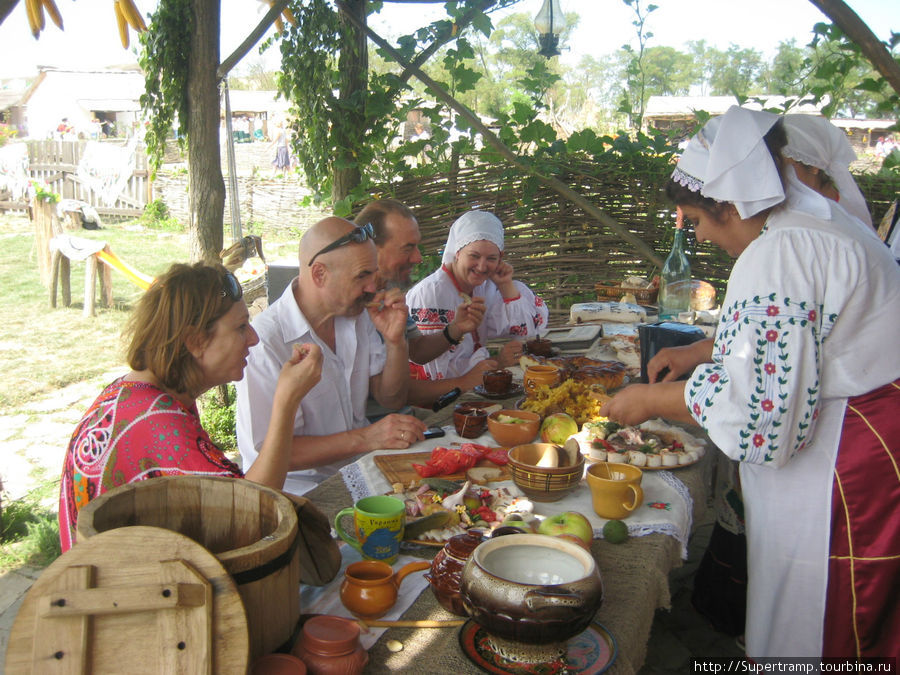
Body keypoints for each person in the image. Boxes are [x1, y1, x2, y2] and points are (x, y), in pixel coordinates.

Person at [600, 106, 900, 659]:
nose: (703, 236)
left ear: (731, 204)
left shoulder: (778, 254)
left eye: (696, 222)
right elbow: (804, 338)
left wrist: (653, 399)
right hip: (865, 438)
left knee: (812, 617)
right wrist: (704, 348)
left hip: (841, 466)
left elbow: (759, 414)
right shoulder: (812, 228)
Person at [58, 263, 322, 552]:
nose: (254, 338)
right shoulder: (154, 421)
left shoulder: (136, 394)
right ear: (196, 342)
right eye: (240, 327)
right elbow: (253, 513)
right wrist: (286, 403)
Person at [235, 217, 427, 496]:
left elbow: (391, 399)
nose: (372, 287)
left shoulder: (355, 315)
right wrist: (365, 438)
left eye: (373, 274)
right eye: (362, 276)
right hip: (299, 495)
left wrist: (395, 341)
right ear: (319, 274)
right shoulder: (265, 343)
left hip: (361, 474)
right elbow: (271, 453)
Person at [353, 199, 491, 408]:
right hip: (378, 429)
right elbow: (397, 395)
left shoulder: (388, 294)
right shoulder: (350, 307)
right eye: (408, 248)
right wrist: (464, 382)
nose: (418, 258)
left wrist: (454, 330)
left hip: (403, 420)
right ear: (371, 248)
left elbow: (417, 350)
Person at [406, 210, 549, 381]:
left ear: (500, 258)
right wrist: (497, 362)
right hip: (433, 400)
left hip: (469, 386)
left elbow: (528, 331)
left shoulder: (484, 287)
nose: (482, 267)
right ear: (457, 252)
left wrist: (505, 285)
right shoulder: (431, 294)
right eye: (474, 256)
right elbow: (434, 373)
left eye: (491, 258)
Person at [782, 114, 873, 228]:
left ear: (814, 166)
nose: (778, 173)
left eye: (784, 165)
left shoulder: (843, 217)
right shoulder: (792, 207)